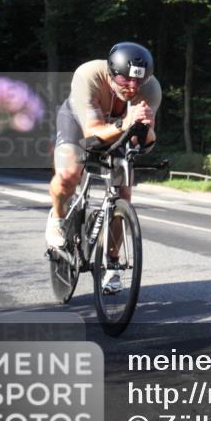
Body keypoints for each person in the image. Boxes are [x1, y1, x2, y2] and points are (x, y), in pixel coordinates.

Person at [46, 42, 161, 293]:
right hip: (80, 124)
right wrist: (127, 122)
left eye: (138, 82)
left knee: (124, 194)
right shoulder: (88, 75)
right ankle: (57, 216)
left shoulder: (150, 89)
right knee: (67, 176)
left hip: (120, 131)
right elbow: (92, 132)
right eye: (125, 80)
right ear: (111, 73)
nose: (132, 87)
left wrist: (146, 130)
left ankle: (112, 262)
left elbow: (144, 142)